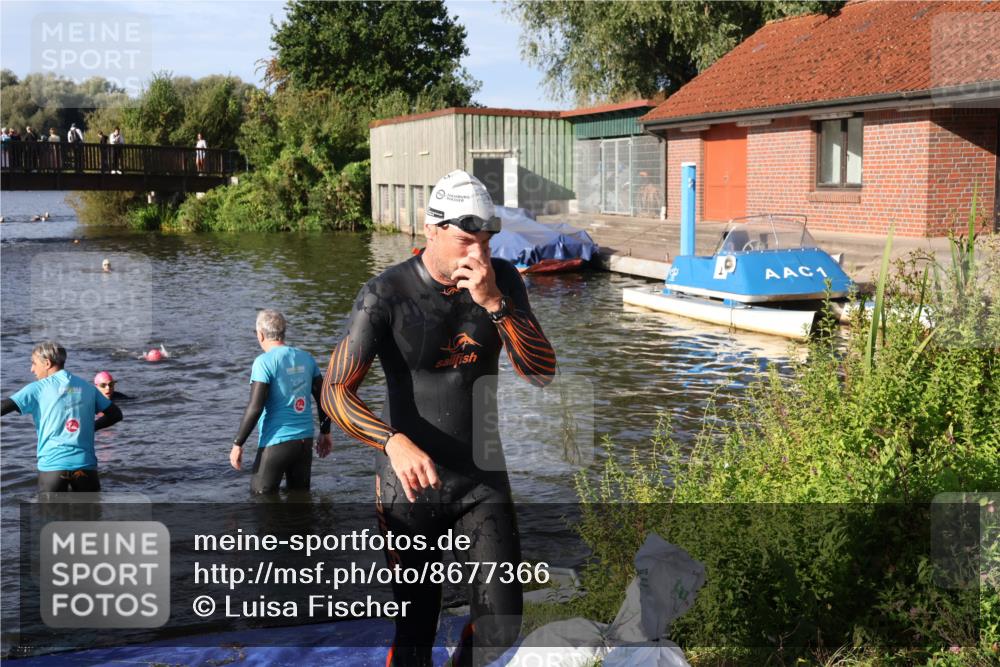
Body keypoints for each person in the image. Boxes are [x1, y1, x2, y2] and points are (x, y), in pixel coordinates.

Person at [322, 170, 557, 666]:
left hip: (481, 479)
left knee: (502, 624)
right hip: (409, 490)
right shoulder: (384, 295)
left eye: (487, 242)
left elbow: (541, 374)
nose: (478, 256)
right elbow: (335, 391)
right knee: (415, 631)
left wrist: (495, 305)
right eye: (466, 241)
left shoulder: (504, 281)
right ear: (431, 230)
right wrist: (392, 443)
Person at [230, 310, 333, 495]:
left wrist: (238, 443)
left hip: (276, 442)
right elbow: (324, 397)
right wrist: (325, 432)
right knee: (300, 502)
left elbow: (255, 407)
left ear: (260, 335)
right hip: (304, 442)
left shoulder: (263, 362)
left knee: (260, 501)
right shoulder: (306, 358)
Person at [1, 342, 123, 492]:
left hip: (53, 467)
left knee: (51, 515)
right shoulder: (86, 387)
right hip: (85, 466)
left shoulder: (37, 389)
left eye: (34, 363)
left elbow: (3, 408)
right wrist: (91, 427)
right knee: (90, 515)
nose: (32, 369)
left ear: (47, 363)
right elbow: (116, 415)